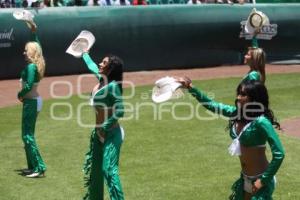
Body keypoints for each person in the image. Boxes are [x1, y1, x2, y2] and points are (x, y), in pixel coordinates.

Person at [177, 78, 285, 200]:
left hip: (260, 179)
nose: (238, 97)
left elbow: (279, 153)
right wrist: (191, 88)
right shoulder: (236, 113)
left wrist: (263, 180)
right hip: (245, 178)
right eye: (238, 93)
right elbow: (212, 105)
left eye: (243, 94)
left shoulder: (261, 122)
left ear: (254, 98)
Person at [81, 51, 125, 200]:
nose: (100, 64)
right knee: (96, 172)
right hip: (98, 134)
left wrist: (104, 127)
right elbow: (93, 66)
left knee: (109, 171)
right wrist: (84, 54)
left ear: (111, 68)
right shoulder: (101, 79)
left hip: (111, 134)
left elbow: (120, 111)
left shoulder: (113, 87)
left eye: (104, 63)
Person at [17, 20, 46, 178]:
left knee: (27, 136)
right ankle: (32, 166)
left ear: (32, 53)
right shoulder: (36, 64)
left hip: (31, 102)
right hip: (33, 102)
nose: (23, 52)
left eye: (26, 50)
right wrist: (34, 31)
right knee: (26, 136)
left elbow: (27, 87)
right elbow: (38, 47)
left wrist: (19, 95)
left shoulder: (31, 67)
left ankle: (39, 167)